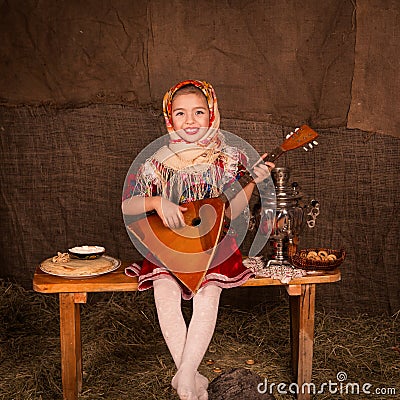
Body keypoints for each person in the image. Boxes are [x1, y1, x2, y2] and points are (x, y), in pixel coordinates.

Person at [122, 80, 274, 400]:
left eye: (198, 112)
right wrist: (156, 202)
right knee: (164, 290)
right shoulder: (157, 160)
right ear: (169, 118)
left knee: (209, 289)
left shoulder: (229, 157)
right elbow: (128, 205)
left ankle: (186, 378)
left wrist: (254, 183)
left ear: (212, 114)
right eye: (180, 113)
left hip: (214, 243)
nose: (190, 121)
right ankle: (189, 375)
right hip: (171, 243)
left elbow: (231, 209)